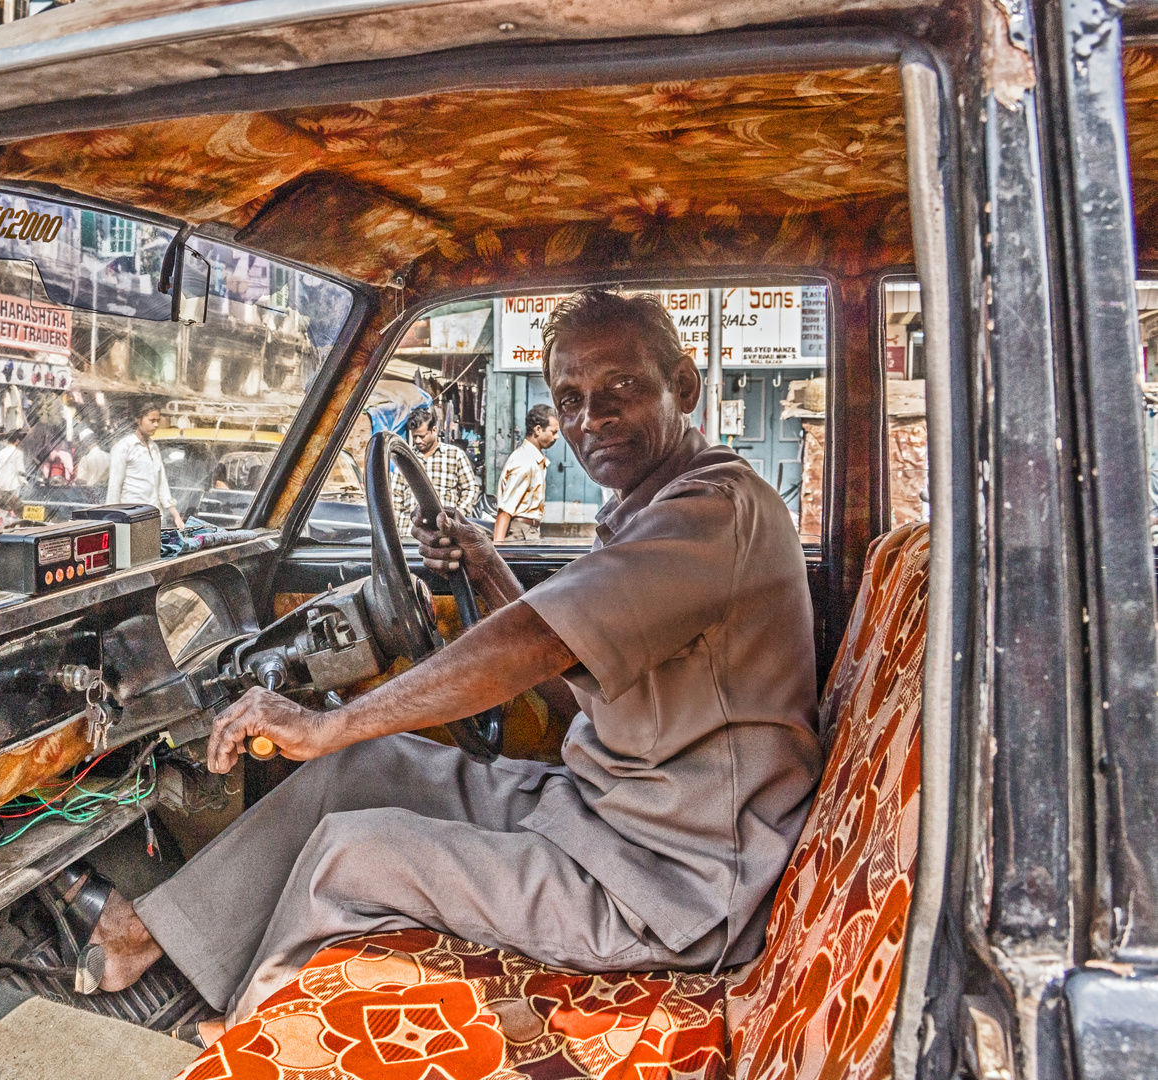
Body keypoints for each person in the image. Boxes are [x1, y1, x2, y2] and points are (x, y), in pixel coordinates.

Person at [77, 289, 822, 1045]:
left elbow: (535, 644)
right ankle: (146, 937)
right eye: (570, 398)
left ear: (683, 387)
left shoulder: (712, 513)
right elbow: (578, 695)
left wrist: (328, 720)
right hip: (605, 819)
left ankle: (249, 1044)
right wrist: (491, 570)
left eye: (620, 389)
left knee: (352, 851)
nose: (589, 420)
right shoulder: (652, 509)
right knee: (357, 768)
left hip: (668, 889)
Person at [391, 404, 479, 534]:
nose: (418, 441)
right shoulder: (405, 458)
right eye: (414, 436)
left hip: (444, 532)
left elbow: (471, 488)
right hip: (410, 533)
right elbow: (395, 496)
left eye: (422, 436)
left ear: (434, 430)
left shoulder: (454, 455)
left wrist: (456, 516)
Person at [106, 402, 186, 528]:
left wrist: (176, 516)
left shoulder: (154, 448)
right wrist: (112, 520)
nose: (156, 425)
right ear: (138, 420)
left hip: (154, 518)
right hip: (131, 519)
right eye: (152, 420)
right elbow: (115, 485)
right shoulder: (123, 447)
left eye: (157, 421)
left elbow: (162, 485)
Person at [493, 403, 560, 542]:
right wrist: (497, 548)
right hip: (521, 532)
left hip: (528, 531)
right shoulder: (525, 460)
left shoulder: (534, 459)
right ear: (538, 429)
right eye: (553, 432)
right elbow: (505, 510)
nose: (557, 437)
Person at [0, 429, 29, 504]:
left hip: (1, 485)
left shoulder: (0, 453)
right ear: (17, 440)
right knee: (13, 507)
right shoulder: (18, 453)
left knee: (3, 507)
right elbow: (20, 470)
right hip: (12, 485)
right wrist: (24, 482)